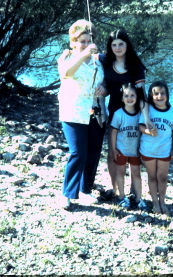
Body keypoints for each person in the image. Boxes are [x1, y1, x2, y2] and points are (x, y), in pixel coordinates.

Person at [99, 29, 157, 200]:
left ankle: (134, 192)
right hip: (115, 115)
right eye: (114, 45)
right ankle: (115, 189)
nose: (117, 48)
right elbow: (107, 84)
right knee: (113, 152)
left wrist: (146, 118)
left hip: (134, 115)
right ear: (110, 47)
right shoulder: (106, 62)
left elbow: (142, 94)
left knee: (133, 153)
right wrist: (104, 89)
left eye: (121, 44)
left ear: (127, 45)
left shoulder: (135, 65)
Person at [57, 19, 108, 209]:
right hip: (73, 112)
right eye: (82, 41)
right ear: (73, 43)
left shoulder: (98, 62)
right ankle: (67, 194)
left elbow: (107, 83)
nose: (86, 44)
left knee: (93, 153)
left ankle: (85, 190)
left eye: (89, 41)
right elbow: (66, 74)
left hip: (96, 112)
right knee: (78, 152)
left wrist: (105, 89)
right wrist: (84, 54)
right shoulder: (66, 59)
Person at [139, 80, 173, 215]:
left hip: (164, 151)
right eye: (156, 94)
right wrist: (148, 131)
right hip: (148, 149)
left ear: (167, 95)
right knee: (152, 176)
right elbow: (140, 126)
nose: (159, 96)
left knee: (162, 177)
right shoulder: (147, 110)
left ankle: (162, 201)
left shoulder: (172, 112)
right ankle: (155, 202)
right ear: (151, 96)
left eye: (163, 93)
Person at [108, 83, 149, 211]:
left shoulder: (140, 114)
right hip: (121, 149)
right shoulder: (118, 114)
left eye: (132, 95)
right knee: (120, 173)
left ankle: (138, 198)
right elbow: (113, 131)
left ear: (137, 97)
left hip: (135, 150)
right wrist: (113, 148)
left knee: (136, 174)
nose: (129, 98)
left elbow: (144, 104)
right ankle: (121, 196)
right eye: (126, 96)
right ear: (122, 98)